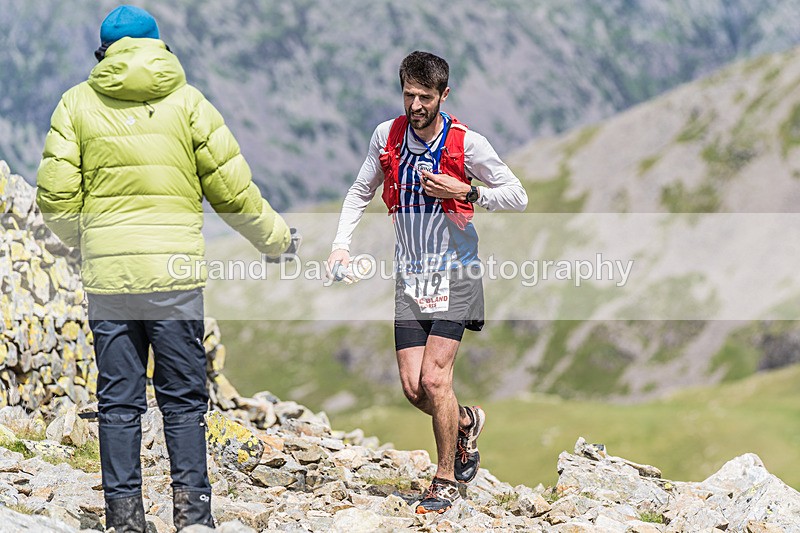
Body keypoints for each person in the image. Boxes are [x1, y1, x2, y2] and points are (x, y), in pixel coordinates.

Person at [36, 5, 298, 532]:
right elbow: (233, 190)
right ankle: (194, 517)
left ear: (104, 53)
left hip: (111, 283)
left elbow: (56, 197)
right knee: (182, 401)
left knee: (118, 403)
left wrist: (90, 245)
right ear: (159, 47)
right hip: (175, 282)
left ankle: (125, 520)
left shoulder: (76, 104)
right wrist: (277, 241)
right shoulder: (189, 103)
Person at [327, 51, 528, 514]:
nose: (415, 105)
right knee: (413, 388)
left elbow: (517, 195)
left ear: (443, 95)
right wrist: (341, 245)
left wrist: (468, 191)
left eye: (424, 97)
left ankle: (443, 480)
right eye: (408, 95)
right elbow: (360, 191)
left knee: (436, 380)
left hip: (457, 273)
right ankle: (467, 421)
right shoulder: (387, 136)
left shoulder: (467, 144)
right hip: (410, 277)